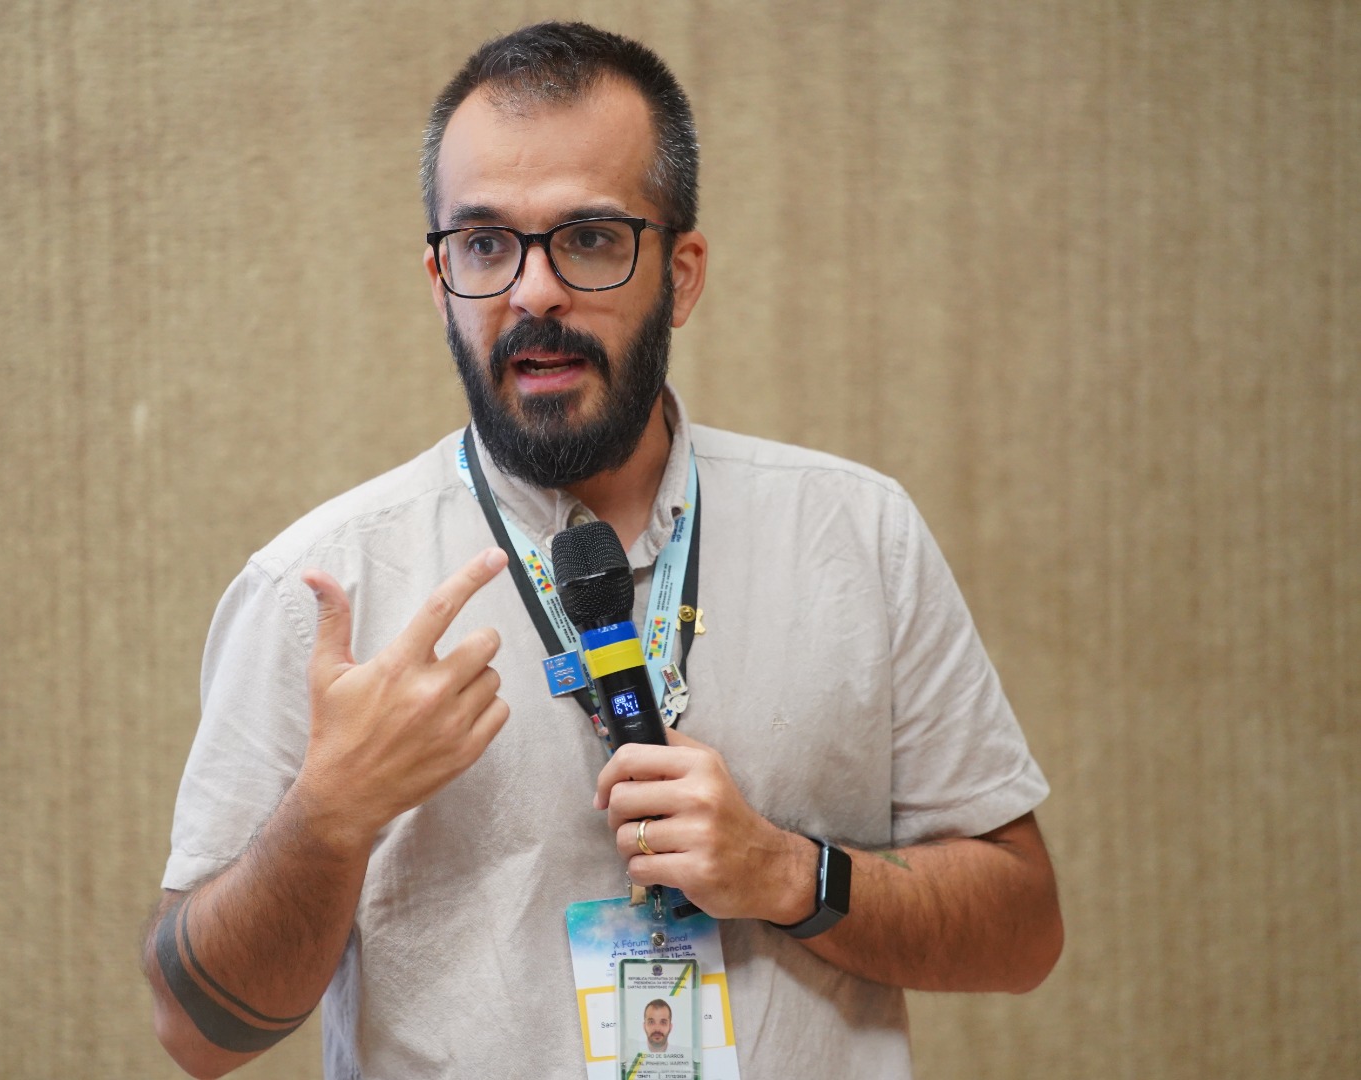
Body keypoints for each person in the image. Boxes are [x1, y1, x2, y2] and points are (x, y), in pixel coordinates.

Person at [143, 20, 1062, 1080]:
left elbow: (1023, 932)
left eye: (587, 238)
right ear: (439, 280)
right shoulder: (322, 589)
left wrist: (787, 874)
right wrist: (328, 815)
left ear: (682, 273)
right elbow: (196, 1035)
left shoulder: (856, 535)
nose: (533, 291)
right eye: (485, 244)